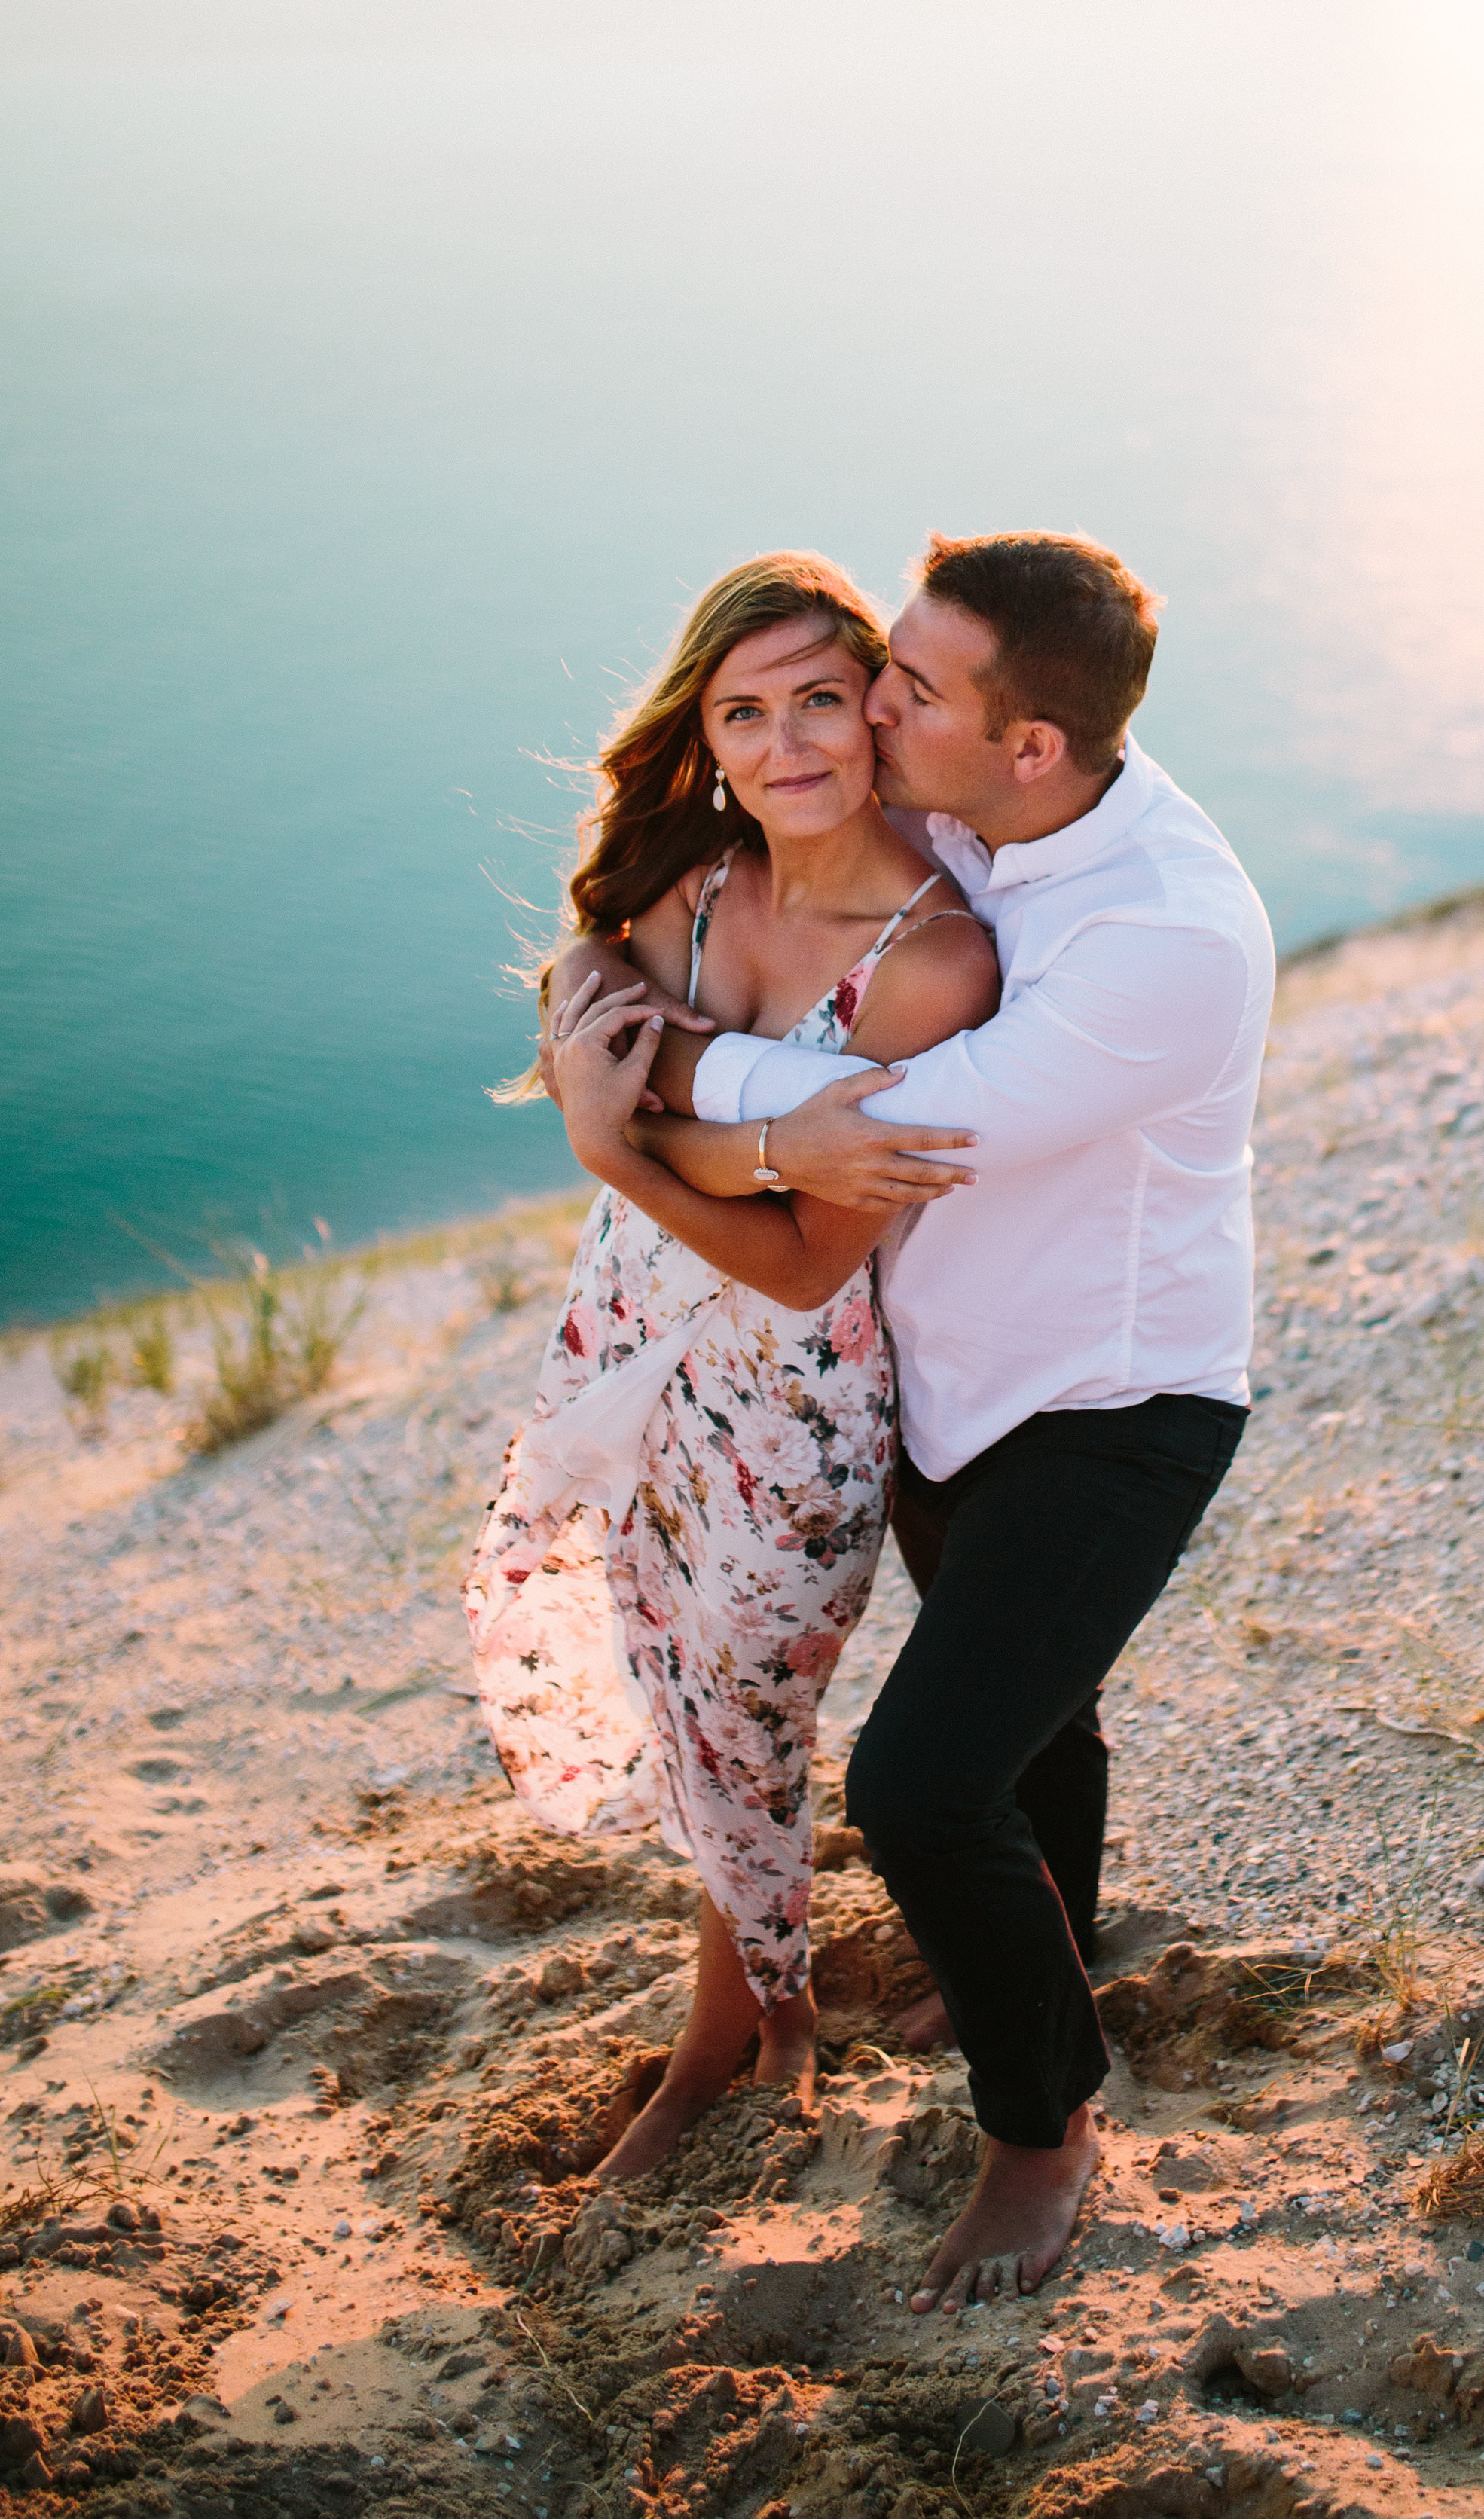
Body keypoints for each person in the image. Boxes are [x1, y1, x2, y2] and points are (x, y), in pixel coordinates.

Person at [547, 529, 1273, 2303]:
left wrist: (635, 1107)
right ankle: (1051, 1946)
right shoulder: (983, 796)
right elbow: (741, 971)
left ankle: (1043, 2138)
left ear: (1027, 745)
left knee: (925, 1779)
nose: (869, 709)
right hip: (939, 1379)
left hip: (1109, 1398)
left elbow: (871, 1133)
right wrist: (601, 1004)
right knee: (1040, 1732)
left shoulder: (1162, 940)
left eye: (907, 688)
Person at [466, 551, 997, 2181]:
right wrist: (735, 1121)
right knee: (672, 1669)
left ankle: (740, 2029)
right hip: (627, 1328)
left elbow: (799, 1259)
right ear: (703, 734)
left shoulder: (933, 959)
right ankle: (765, 2007)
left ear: (875, 706)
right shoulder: (690, 889)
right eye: (744, 712)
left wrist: (628, 1147)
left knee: (753, 1696)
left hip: (796, 1385)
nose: (788, 747)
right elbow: (585, 980)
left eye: (820, 701)